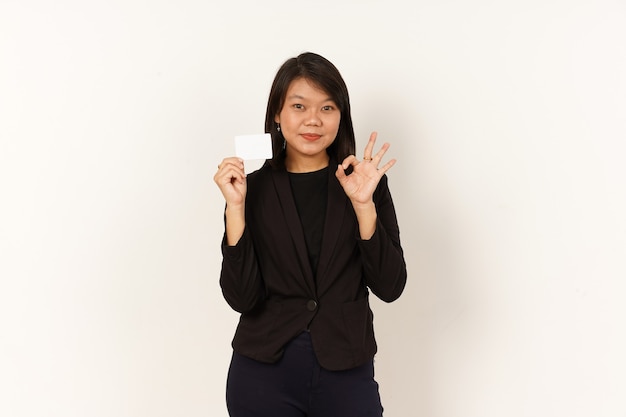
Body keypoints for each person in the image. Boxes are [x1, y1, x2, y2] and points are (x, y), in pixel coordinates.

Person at [213, 52, 407, 417]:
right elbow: (241, 297)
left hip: (346, 366)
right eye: (299, 106)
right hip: (264, 373)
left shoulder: (366, 185)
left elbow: (391, 286)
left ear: (341, 115)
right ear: (277, 113)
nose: (313, 120)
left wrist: (364, 207)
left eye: (328, 108)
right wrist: (235, 210)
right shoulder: (249, 191)